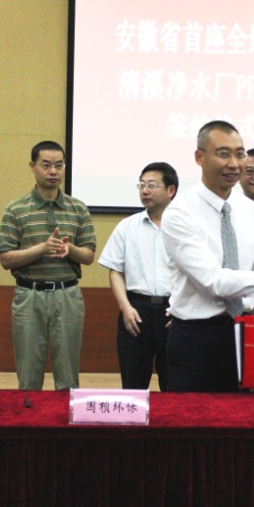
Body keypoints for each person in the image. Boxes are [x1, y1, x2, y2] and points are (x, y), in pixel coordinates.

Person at [161, 120, 254, 392]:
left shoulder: (249, 209)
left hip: (244, 332)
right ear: (199, 157)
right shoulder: (179, 213)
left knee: (244, 415)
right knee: (192, 417)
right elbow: (214, 281)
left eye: (239, 154)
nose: (234, 164)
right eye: (224, 154)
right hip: (195, 338)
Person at [0, 141, 96, 391]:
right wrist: (42, 248)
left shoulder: (78, 208)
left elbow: (88, 256)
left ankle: (66, 417)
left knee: (68, 376)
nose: (53, 171)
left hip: (67, 294)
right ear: (33, 167)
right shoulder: (16, 209)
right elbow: (5, 259)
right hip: (29, 295)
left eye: (59, 165)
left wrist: (70, 250)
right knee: (29, 376)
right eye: (46, 165)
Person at [98, 162, 179, 391]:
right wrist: (125, 308)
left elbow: (196, 274)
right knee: (133, 385)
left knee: (174, 386)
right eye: (141, 185)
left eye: (152, 185)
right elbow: (115, 271)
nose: (145, 190)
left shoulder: (186, 227)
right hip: (135, 311)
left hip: (174, 312)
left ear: (171, 190)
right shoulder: (127, 226)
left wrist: (183, 308)